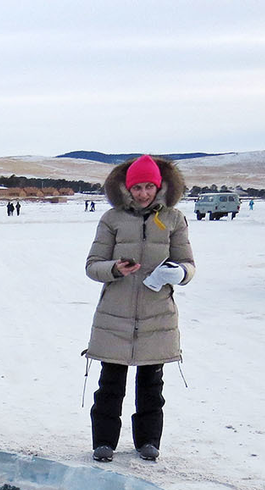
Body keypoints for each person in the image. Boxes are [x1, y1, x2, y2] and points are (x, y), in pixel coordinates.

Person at [83, 154, 196, 463]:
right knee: (110, 383)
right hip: (114, 315)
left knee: (151, 385)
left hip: (156, 313)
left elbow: (189, 265)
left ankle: (148, 441)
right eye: (137, 188)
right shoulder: (112, 219)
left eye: (149, 187)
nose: (143, 194)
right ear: (127, 188)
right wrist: (115, 269)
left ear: (159, 187)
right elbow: (92, 266)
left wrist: (178, 273)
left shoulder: (174, 219)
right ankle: (104, 442)